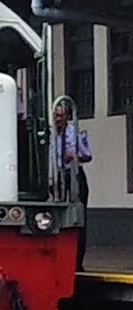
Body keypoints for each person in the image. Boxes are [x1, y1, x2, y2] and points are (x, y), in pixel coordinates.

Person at [54, 103, 91, 271]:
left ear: (68, 117)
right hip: (56, 177)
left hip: (74, 175)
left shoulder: (74, 132)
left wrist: (76, 156)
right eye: (56, 115)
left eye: (61, 116)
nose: (58, 119)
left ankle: (78, 262)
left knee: (78, 217)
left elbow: (87, 155)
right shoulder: (49, 133)